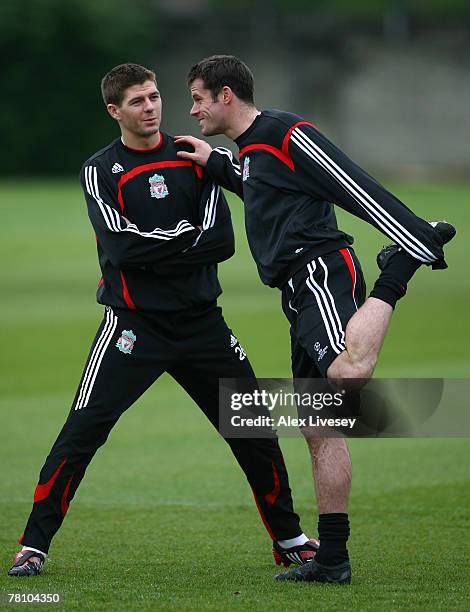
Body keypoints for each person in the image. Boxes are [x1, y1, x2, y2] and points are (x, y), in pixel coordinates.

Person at [7, 63, 321, 578]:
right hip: (132, 328)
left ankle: (290, 540)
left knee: (254, 431)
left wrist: (157, 247)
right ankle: (33, 547)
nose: (151, 107)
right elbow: (121, 247)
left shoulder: (197, 157)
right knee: (82, 432)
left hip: (203, 326)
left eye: (154, 97)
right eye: (137, 101)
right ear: (115, 111)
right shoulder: (99, 169)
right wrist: (181, 240)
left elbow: (220, 240)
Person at [175, 54, 456, 584]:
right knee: (320, 426)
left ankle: (397, 271)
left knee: (348, 377)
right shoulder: (253, 152)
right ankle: (333, 560)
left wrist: (413, 238)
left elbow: (350, 182)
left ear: (226, 95)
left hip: (320, 273)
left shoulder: (284, 132)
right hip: (296, 289)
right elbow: (263, 189)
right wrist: (215, 164)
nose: (191, 110)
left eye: (197, 98)